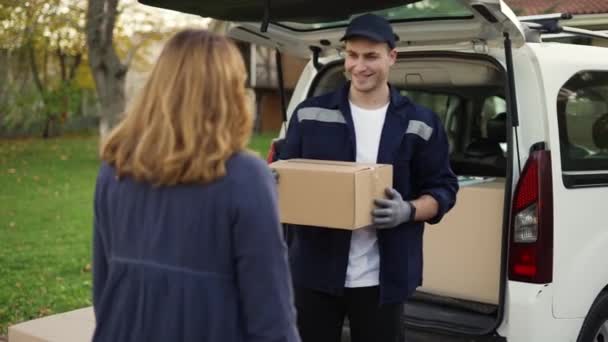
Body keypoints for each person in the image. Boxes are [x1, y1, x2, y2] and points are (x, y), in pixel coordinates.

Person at [92, 29, 299, 342]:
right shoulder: (245, 177)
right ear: (227, 93)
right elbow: (271, 317)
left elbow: (104, 292)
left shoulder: (114, 170)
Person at [279, 13, 459, 342]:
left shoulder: (420, 123)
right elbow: (283, 180)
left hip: (382, 279)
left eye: (371, 56)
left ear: (392, 57)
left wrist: (408, 210)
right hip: (313, 273)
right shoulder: (309, 114)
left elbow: (444, 189)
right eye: (352, 55)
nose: (359, 66)